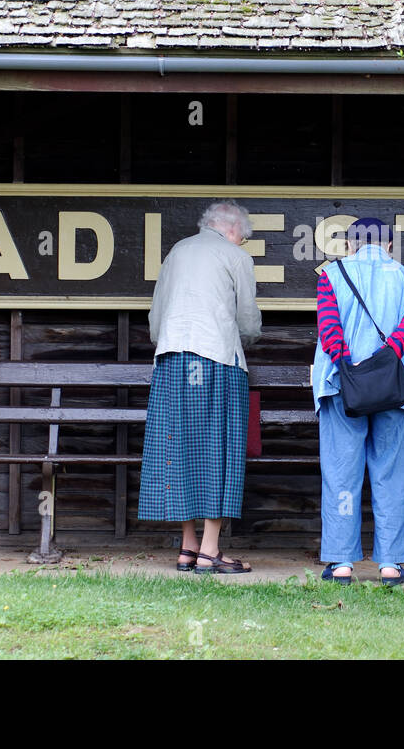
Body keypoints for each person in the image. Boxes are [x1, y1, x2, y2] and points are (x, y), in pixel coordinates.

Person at [139, 200, 262, 573]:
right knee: (217, 450)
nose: (242, 242)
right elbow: (247, 320)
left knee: (180, 448)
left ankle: (187, 547)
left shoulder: (178, 250)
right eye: (243, 236)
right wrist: (247, 338)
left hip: (173, 359)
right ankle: (210, 550)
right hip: (216, 360)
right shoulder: (235, 257)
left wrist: (170, 340)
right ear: (232, 229)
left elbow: (156, 316)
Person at [312, 217, 404, 585]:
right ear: (390, 246)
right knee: (392, 475)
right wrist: (382, 360)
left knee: (341, 473)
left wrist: (350, 364)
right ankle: (390, 564)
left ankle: (342, 563)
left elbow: (329, 329)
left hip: (343, 387)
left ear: (349, 245)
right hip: (393, 388)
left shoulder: (331, 275)